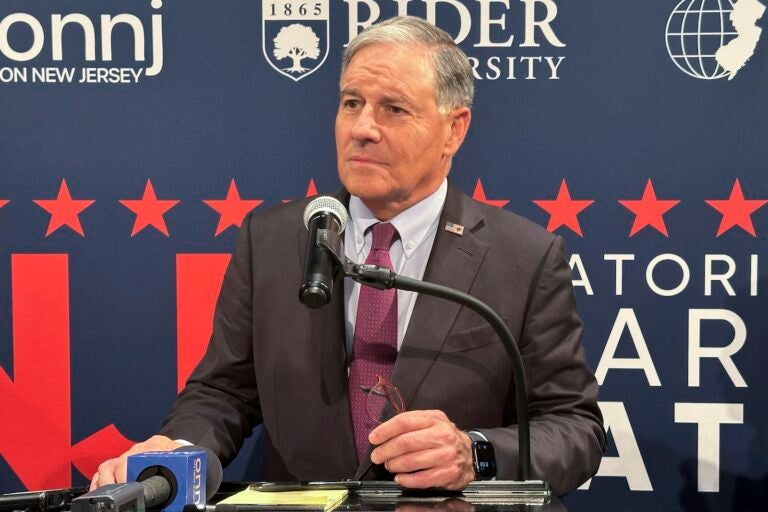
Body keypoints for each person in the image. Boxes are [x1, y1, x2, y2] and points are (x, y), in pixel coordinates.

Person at [92, 16, 605, 496]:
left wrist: (477, 454)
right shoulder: (271, 240)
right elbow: (224, 391)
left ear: (454, 129)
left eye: (394, 108)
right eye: (351, 102)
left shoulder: (524, 256)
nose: (362, 128)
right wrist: (182, 452)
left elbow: (575, 429)